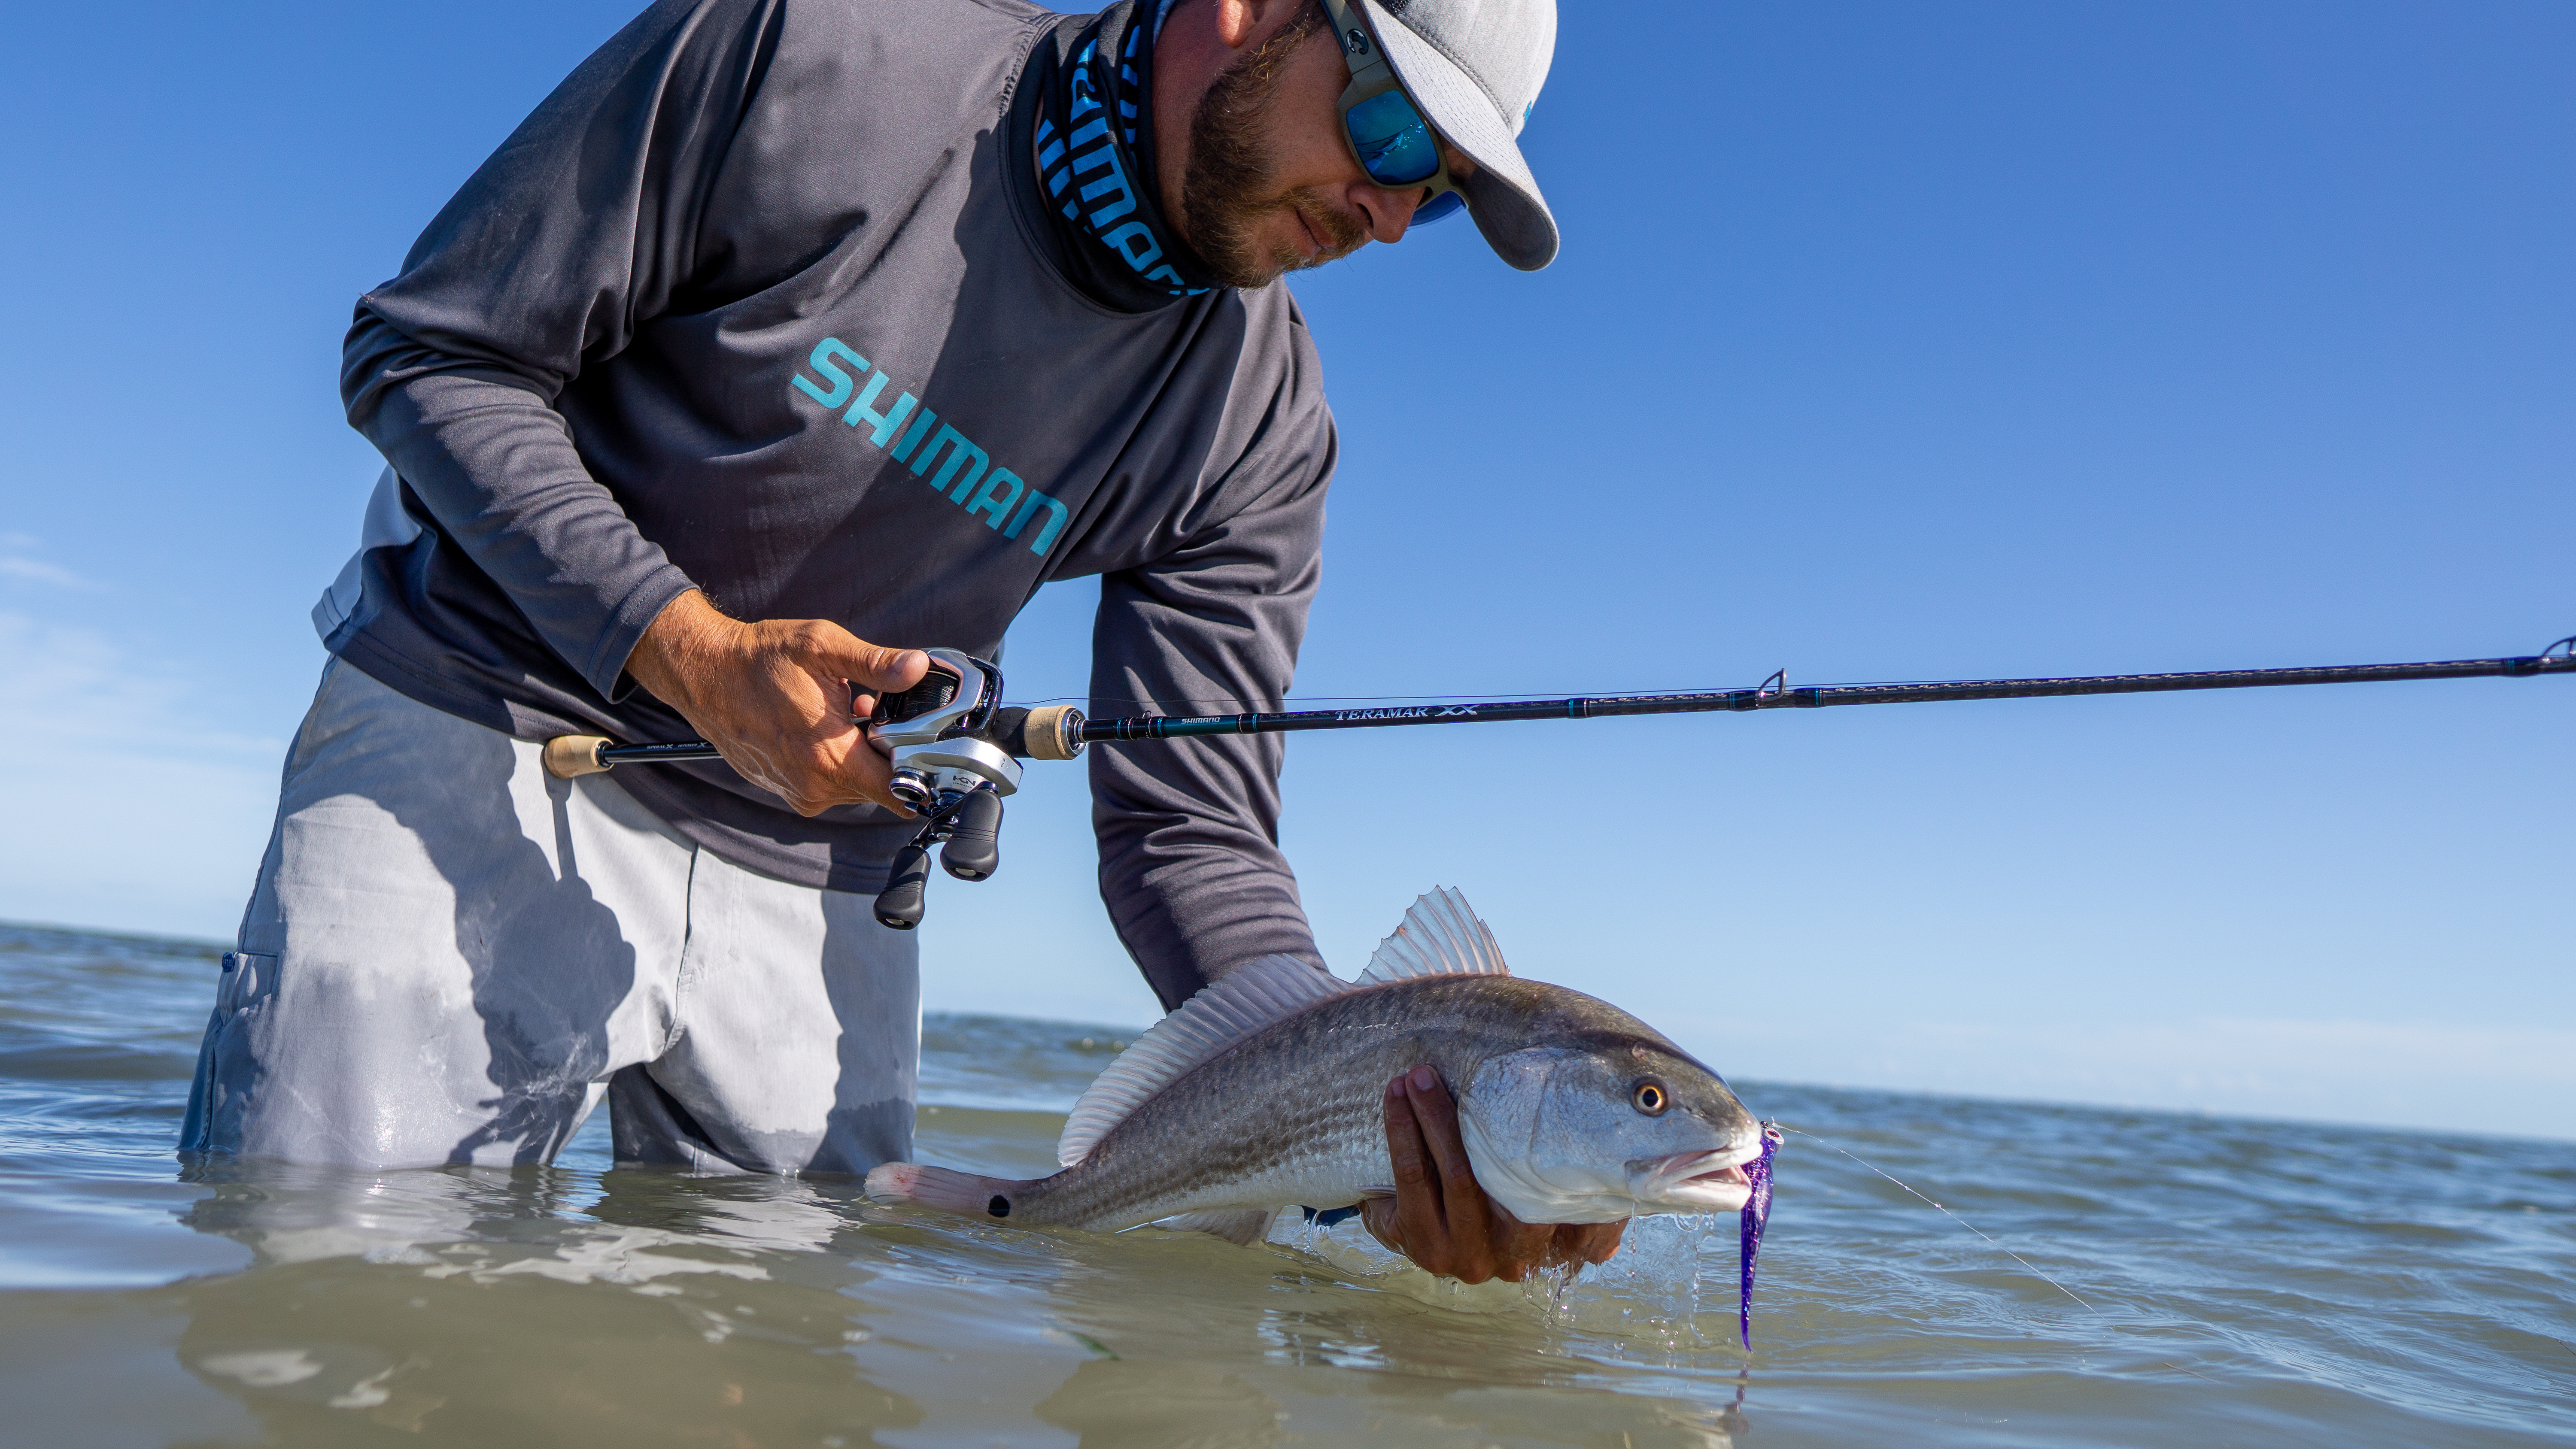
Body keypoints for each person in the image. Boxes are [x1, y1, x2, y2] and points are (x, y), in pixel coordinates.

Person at [182, 0, 1619, 1283]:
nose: (1381, 218)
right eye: (1388, 132)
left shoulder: (1264, 429)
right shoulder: (824, 45)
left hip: (830, 874)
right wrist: (684, 648)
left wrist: (1362, 1115)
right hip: (490, 725)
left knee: (785, 1394)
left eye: (1431, 203)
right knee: (325, 1300)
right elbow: (430, 352)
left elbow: (1193, 831)